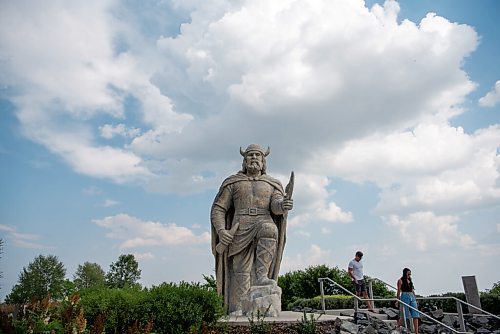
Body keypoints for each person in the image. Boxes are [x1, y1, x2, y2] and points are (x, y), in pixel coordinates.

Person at [211, 144, 293, 315]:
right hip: (239, 226)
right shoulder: (233, 182)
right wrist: (221, 231)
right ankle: (239, 306)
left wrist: (283, 205)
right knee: (241, 269)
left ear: (263, 161)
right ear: (244, 160)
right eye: (250, 155)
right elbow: (219, 208)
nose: (254, 158)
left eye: (257, 155)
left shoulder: (272, 183)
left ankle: (262, 276)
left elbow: (276, 206)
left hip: (264, 218)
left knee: (270, 229)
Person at [396, 268, 420, 334]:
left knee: (415, 314)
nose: (409, 275)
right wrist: (397, 300)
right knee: (404, 314)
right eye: (408, 274)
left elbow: (412, 289)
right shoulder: (400, 280)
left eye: (410, 274)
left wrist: (415, 298)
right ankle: (398, 326)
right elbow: (398, 290)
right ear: (405, 273)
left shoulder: (410, 280)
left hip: (411, 295)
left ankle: (416, 331)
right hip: (404, 295)